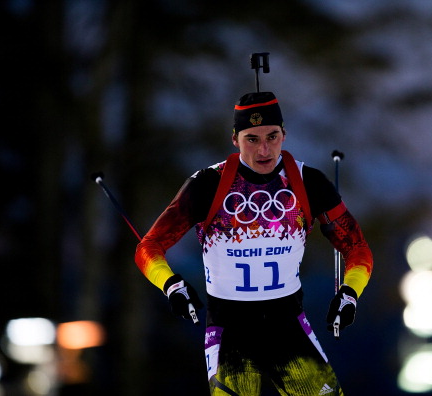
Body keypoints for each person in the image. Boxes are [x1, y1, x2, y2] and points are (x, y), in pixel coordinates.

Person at [135, 91, 373, 395]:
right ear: (235, 139)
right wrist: (171, 285)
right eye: (252, 139)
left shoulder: (308, 182)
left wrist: (350, 293)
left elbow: (357, 247)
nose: (264, 149)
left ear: (284, 134)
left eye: (272, 136)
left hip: (287, 326)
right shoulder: (208, 184)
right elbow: (148, 246)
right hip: (229, 330)